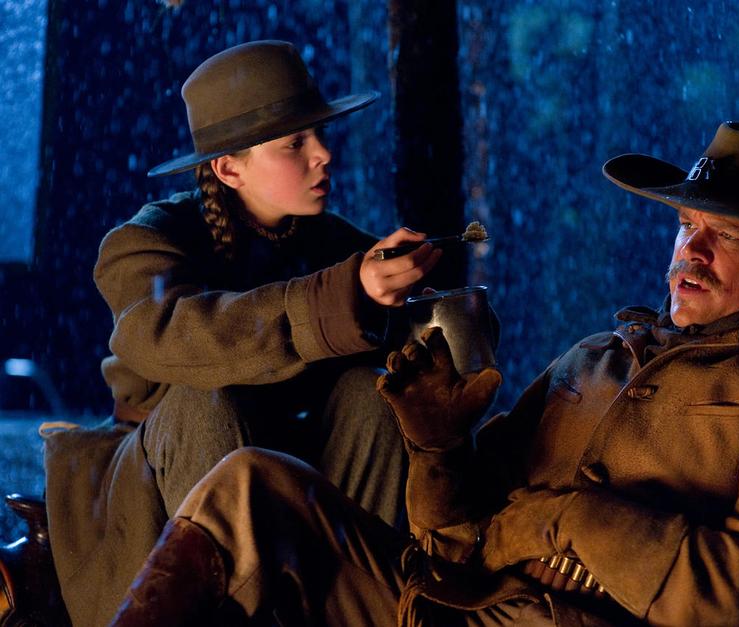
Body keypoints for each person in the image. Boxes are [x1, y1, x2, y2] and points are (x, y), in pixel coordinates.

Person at [108, 122, 739, 626]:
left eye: (729, 236)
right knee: (251, 483)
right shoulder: (595, 357)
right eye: (687, 225)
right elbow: (454, 537)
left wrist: (570, 522)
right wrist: (437, 448)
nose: (692, 251)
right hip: (442, 609)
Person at [42, 40, 444, 627]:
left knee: (370, 394)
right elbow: (167, 334)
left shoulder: (334, 243)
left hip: (300, 457)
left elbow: (425, 331)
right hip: (172, 479)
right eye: (295, 143)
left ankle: (359, 606)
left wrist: (429, 306)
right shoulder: (144, 242)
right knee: (205, 402)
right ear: (229, 168)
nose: (324, 154)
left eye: (319, 134)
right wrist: (342, 297)